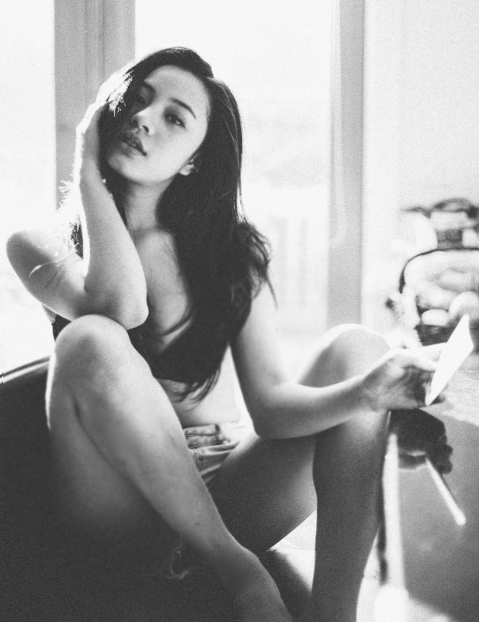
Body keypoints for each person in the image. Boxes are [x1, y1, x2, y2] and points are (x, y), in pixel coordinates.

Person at [6, 47, 446, 622]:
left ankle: (333, 615)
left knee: (360, 348)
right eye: (136, 100)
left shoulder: (229, 252)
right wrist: (88, 171)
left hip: (226, 485)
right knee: (90, 339)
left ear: (194, 161)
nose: (144, 118)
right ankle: (237, 568)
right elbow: (121, 306)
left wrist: (368, 395)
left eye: (174, 118)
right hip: (116, 505)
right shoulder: (40, 245)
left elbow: (273, 409)